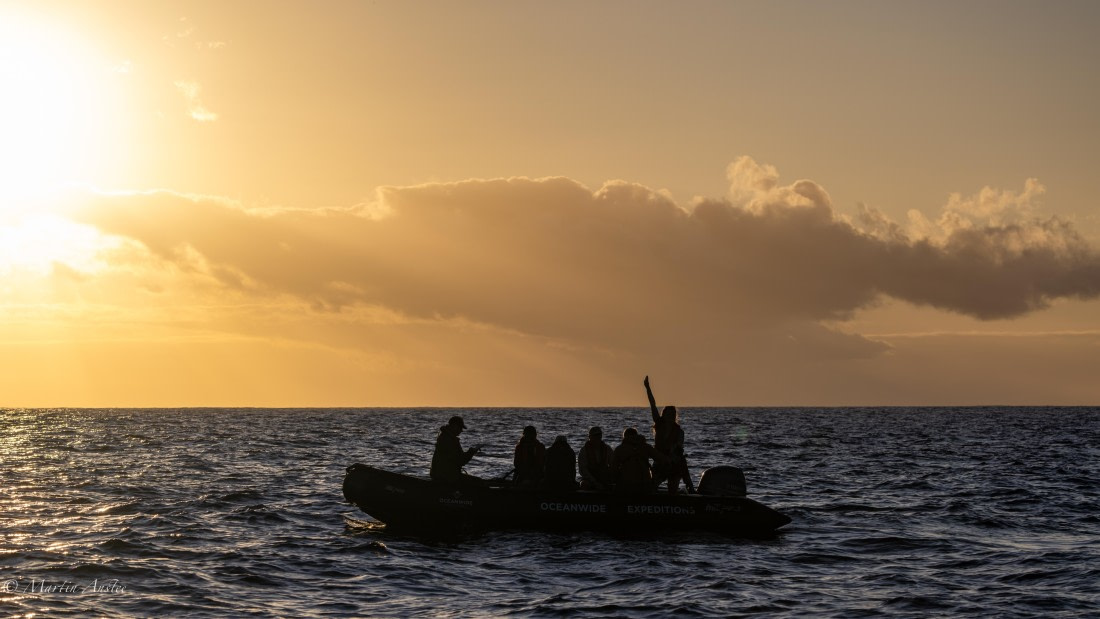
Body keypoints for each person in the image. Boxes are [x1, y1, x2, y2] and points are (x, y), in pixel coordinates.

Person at [644, 375, 695, 494]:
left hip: (673, 462)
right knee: (652, 487)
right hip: (659, 462)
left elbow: (678, 447)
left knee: (678, 472)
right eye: (668, 414)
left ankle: (689, 489)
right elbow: (652, 404)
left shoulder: (679, 432)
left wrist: (671, 456)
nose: (670, 416)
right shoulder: (659, 424)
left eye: (673, 414)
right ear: (664, 414)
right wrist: (648, 387)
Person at [611, 427, 666, 494]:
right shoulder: (646, 447)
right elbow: (663, 460)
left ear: (624, 437)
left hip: (626, 485)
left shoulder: (619, 449)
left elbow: (613, 469)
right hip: (645, 485)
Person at [430, 415, 482, 485]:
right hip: (445, 477)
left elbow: (458, 458)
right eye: (460, 428)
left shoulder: (448, 437)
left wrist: (471, 452)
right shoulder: (448, 440)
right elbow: (460, 461)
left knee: (477, 481)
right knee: (478, 482)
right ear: (454, 426)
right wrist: (471, 452)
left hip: (443, 475)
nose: (461, 431)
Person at [578, 426, 614, 491]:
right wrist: (594, 482)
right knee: (584, 484)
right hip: (589, 478)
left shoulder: (607, 449)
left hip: (604, 477)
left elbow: (613, 465)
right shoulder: (584, 450)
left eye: (599, 435)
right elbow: (583, 470)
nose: (597, 437)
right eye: (595, 435)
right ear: (590, 437)